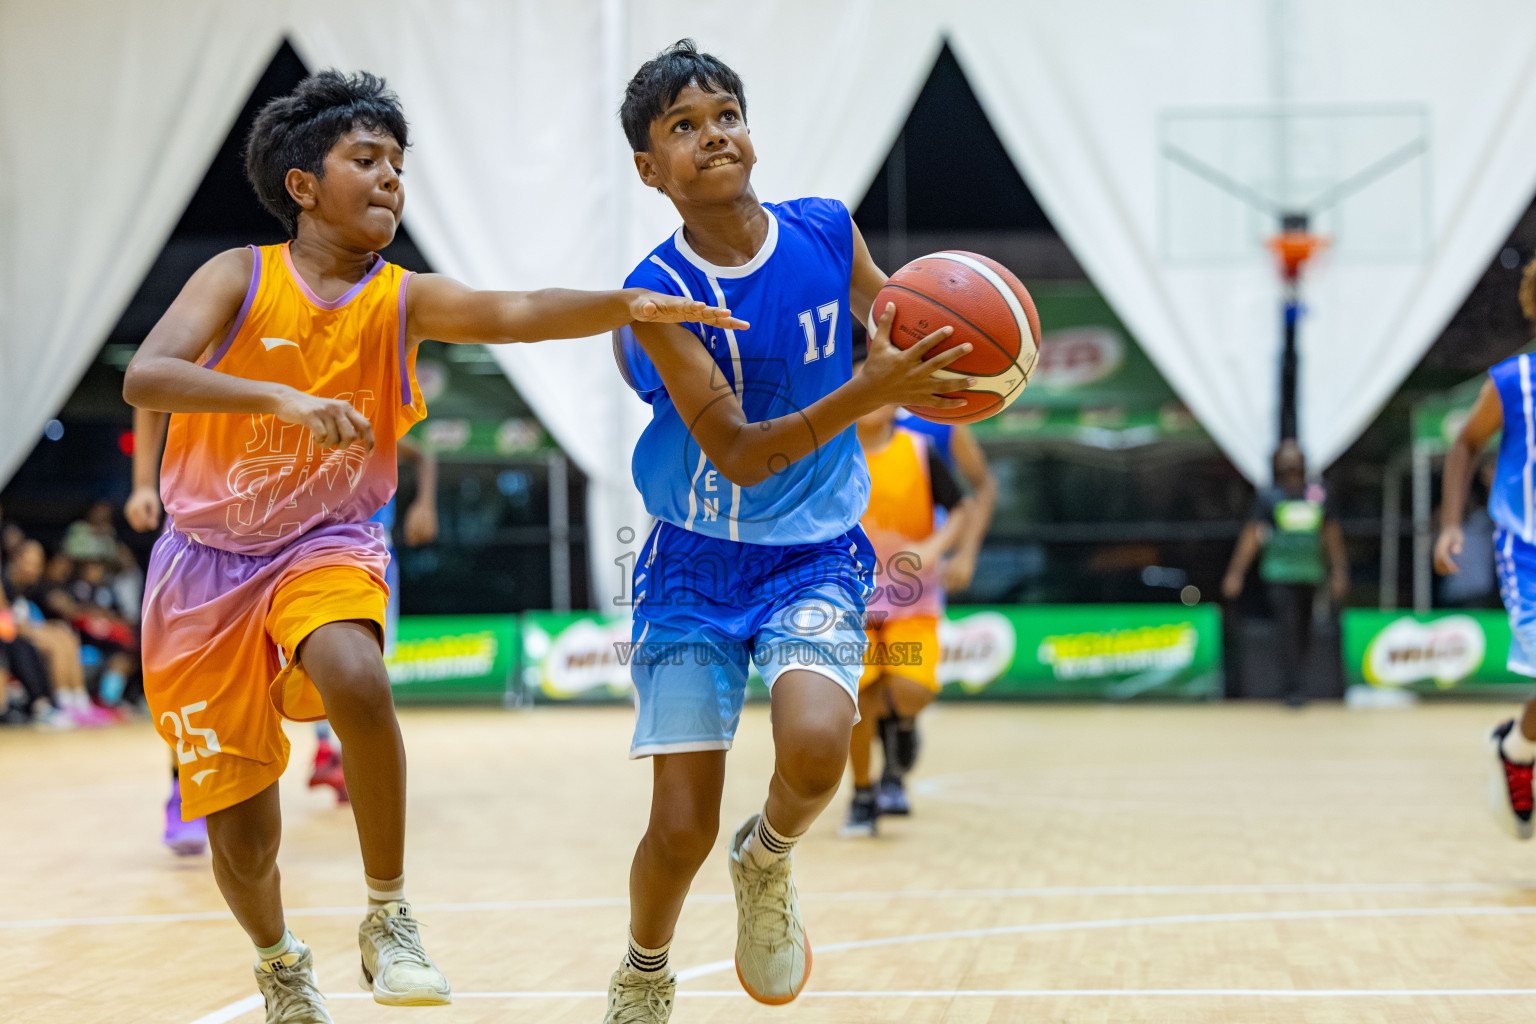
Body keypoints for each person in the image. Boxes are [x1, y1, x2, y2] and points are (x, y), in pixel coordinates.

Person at [123, 69, 741, 1023]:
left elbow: (518, 311)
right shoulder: (237, 278)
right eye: (365, 160)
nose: (389, 181)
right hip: (203, 569)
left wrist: (628, 305)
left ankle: (387, 916)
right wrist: (282, 399)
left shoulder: (401, 300)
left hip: (324, 541)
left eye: (399, 166)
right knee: (244, 841)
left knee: (358, 679)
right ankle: (281, 963)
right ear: (301, 184)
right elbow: (148, 375)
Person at [602, 41, 971, 1022]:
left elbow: (898, 321)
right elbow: (736, 451)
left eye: (725, 114)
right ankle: (645, 966)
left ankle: (764, 862)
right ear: (649, 167)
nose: (712, 134)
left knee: (816, 747)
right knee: (677, 828)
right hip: (693, 563)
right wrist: (869, 389)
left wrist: (957, 366)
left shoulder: (826, 230)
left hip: (813, 550)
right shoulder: (655, 296)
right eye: (682, 126)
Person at [840, 391, 973, 837]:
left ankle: (901, 728)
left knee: (912, 687)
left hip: (912, 599)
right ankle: (864, 792)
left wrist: (933, 549)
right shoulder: (834, 453)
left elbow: (962, 508)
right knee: (858, 699)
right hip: (851, 602)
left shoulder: (919, 450)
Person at [1436, 263, 1536, 840]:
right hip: (1527, 553)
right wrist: (1451, 524)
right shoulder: (1515, 381)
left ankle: (1518, 746)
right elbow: (1467, 442)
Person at [873, 408, 996, 815]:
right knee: (866, 682)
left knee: (908, 681)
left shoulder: (940, 420)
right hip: (863, 577)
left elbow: (981, 488)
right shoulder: (849, 408)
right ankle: (880, 768)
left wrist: (966, 554)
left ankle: (896, 746)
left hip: (918, 575)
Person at [1221, 439, 1349, 706]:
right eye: (1286, 459)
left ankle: (1300, 680)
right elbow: (1252, 536)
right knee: (1287, 628)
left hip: (1310, 573)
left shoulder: (1318, 494)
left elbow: (1331, 533)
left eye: (1295, 458)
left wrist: (1339, 571)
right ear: (1277, 464)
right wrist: (1236, 572)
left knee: (1305, 629)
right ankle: (1292, 688)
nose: (1291, 464)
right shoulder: (1269, 498)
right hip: (1278, 573)